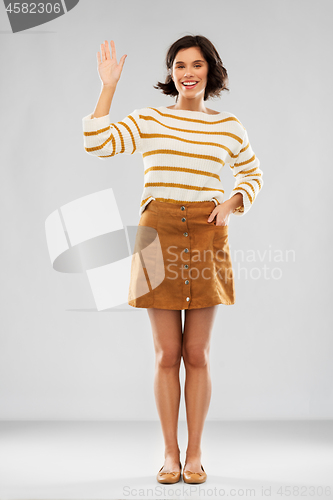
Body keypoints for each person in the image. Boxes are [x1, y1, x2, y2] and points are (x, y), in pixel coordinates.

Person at [82, 35, 263, 484]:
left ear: (210, 72)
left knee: (197, 352)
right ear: (171, 73)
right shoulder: (152, 119)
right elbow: (98, 142)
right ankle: (169, 454)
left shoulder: (229, 126)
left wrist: (234, 200)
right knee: (167, 353)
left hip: (206, 233)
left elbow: (252, 173)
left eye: (197, 65)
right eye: (179, 65)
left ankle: (195, 455)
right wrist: (108, 87)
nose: (188, 72)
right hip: (157, 230)